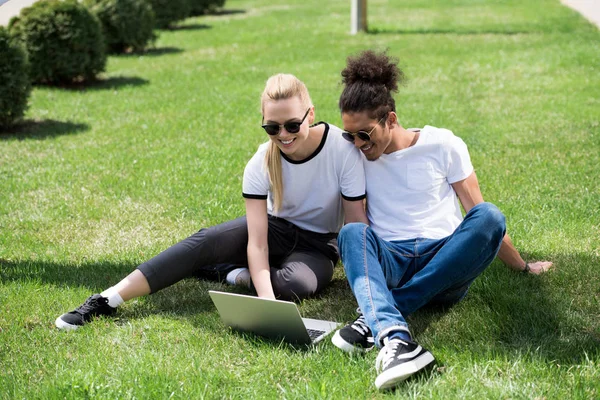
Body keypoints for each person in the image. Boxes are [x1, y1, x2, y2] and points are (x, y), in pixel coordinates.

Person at [55, 73, 368, 330]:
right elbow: (258, 243)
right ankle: (107, 300)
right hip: (275, 231)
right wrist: (266, 302)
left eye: (292, 125)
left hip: (319, 245)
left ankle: (229, 272)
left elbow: (356, 227)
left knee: (296, 285)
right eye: (272, 127)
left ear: (309, 114)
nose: (283, 135)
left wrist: (367, 290)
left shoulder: (342, 151)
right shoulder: (260, 161)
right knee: (205, 241)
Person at [329, 50, 553, 390]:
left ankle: (380, 316)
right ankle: (395, 337)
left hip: (444, 261)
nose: (358, 144)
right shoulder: (355, 158)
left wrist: (522, 267)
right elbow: (360, 233)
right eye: (350, 136)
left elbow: (479, 216)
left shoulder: (442, 144)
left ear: (390, 119)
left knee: (490, 215)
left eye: (365, 134)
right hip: (394, 260)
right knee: (351, 232)